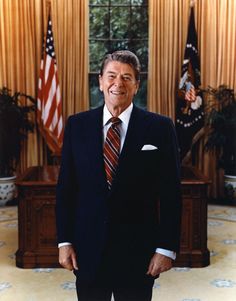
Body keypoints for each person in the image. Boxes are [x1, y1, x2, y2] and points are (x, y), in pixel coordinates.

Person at [56, 50, 182, 301]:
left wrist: (165, 248)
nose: (118, 83)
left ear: (137, 85)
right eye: (111, 76)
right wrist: (64, 241)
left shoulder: (160, 127)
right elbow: (66, 189)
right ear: (100, 81)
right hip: (87, 249)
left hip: (138, 250)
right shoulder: (77, 125)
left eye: (127, 77)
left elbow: (171, 194)